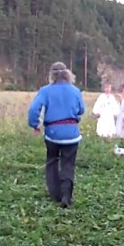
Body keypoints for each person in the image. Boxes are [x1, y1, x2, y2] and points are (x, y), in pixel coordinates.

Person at [28, 62, 85, 208]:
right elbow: (81, 110)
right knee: (68, 164)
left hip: (53, 133)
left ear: (51, 75)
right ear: (67, 73)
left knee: (52, 161)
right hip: (72, 133)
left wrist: (35, 125)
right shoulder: (75, 90)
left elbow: (34, 109)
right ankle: (67, 195)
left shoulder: (45, 91)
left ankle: (55, 194)